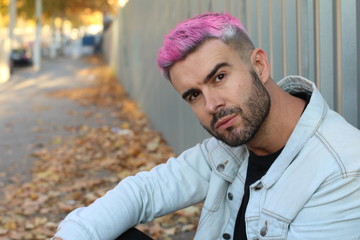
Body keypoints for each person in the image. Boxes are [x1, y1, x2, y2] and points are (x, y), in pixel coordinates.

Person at [52, 12, 360, 240]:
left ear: (259, 65)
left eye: (219, 77)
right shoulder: (232, 145)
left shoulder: (343, 168)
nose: (212, 105)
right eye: (194, 95)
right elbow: (144, 192)